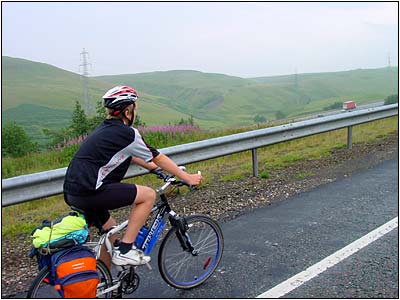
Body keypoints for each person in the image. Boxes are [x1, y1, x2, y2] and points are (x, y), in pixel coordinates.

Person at [63, 85, 203, 267]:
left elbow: (134, 155)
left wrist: (155, 170)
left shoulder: (106, 130)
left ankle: (105, 285)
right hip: (91, 191)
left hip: (73, 192)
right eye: (135, 108)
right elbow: (156, 156)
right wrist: (188, 178)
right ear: (128, 112)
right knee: (148, 195)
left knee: (110, 233)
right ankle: (126, 250)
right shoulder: (127, 133)